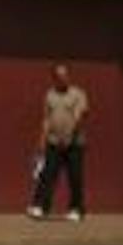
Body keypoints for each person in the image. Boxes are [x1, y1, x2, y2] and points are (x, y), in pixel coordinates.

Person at [27, 63, 89, 221]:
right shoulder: (50, 95)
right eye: (60, 76)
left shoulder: (78, 94)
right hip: (54, 142)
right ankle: (41, 207)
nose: (63, 78)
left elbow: (79, 117)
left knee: (75, 176)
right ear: (54, 78)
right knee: (47, 175)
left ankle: (76, 209)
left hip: (74, 143)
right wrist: (42, 140)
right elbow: (46, 119)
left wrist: (68, 136)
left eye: (65, 75)